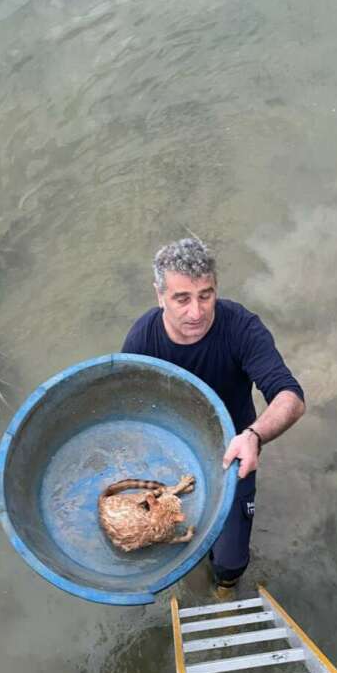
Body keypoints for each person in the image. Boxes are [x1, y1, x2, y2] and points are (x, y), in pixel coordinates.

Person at [122, 237, 305, 590]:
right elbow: (132, 410)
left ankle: (223, 592)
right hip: (172, 452)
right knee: (168, 541)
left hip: (233, 451)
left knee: (230, 561)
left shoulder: (240, 328)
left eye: (206, 295)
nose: (197, 311)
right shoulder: (142, 341)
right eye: (182, 298)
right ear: (159, 296)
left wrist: (254, 436)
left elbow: (290, 397)